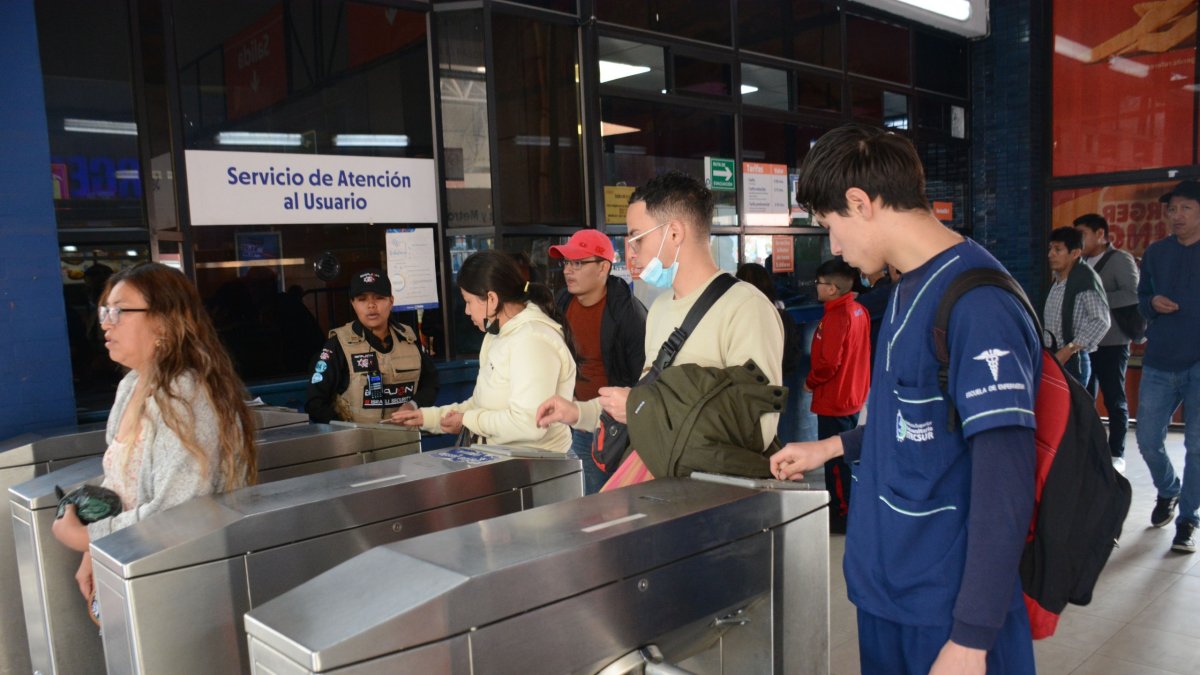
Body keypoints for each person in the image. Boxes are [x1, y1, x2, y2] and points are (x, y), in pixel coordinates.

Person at [769, 124, 1041, 674]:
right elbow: (915, 418)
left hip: (945, 609)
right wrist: (830, 448)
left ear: (860, 203)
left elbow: (1005, 481)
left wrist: (972, 637)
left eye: (831, 228)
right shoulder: (903, 290)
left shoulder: (978, 305)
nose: (835, 249)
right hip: (888, 589)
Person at [535, 171, 784, 478]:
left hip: (714, 494)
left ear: (675, 233)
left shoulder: (746, 308)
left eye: (637, 238)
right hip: (659, 479)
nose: (632, 252)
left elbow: (757, 427)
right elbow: (642, 397)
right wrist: (579, 413)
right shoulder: (660, 309)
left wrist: (645, 412)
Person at [51, 262, 258, 607]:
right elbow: (120, 482)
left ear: (164, 321)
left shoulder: (186, 396)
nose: (105, 322)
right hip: (133, 564)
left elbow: (180, 512)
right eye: (104, 310)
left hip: (179, 582)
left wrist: (87, 537)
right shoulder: (132, 383)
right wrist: (95, 550)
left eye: (119, 311)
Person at [390, 250, 576, 452]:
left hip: (536, 469)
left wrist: (468, 421)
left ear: (492, 299)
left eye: (468, 301)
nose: (466, 311)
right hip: (502, 464)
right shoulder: (497, 335)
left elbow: (530, 424)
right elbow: (482, 405)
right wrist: (428, 418)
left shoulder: (533, 341)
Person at [550, 229, 647, 493]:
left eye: (578, 263)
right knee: (580, 502)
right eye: (566, 263)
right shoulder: (562, 303)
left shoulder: (628, 313)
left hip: (612, 427)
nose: (568, 271)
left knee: (608, 505)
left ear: (604, 267)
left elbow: (644, 377)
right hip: (573, 422)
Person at [1135, 179, 1200, 554]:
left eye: (1185, 208)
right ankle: (1168, 489)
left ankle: (1188, 518)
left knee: (1196, 446)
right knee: (1146, 439)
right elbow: (1142, 299)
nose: (1176, 216)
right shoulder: (1157, 252)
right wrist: (1152, 302)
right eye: (1172, 209)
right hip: (1160, 359)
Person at [305, 269, 439, 423]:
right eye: (362, 299)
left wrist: (413, 404)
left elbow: (431, 383)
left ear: (391, 301)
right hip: (356, 444)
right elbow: (314, 402)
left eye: (379, 298)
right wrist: (345, 432)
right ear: (353, 304)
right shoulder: (338, 344)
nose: (371, 305)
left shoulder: (408, 338)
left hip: (406, 440)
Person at [808, 257, 871, 534]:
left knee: (835, 464)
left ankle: (840, 516)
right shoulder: (858, 311)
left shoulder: (836, 316)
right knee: (846, 460)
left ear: (832, 288)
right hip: (853, 396)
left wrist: (811, 382)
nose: (816, 288)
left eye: (819, 283)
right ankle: (848, 511)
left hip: (835, 400)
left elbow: (828, 363)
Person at [1074, 213, 1140, 474]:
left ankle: (1117, 452)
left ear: (1100, 234)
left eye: (1084, 234)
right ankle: (1089, 449)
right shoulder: (1078, 261)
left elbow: (1132, 294)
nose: (1079, 239)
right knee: (1085, 397)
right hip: (1085, 342)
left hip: (1113, 341)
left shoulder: (1119, 260)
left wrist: (1094, 298)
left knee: (1114, 397)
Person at [1043, 226, 1109, 387]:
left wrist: (1069, 349)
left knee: (1073, 410)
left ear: (1075, 253)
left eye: (1058, 250)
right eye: (1050, 248)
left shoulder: (1084, 279)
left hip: (1072, 361)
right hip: (1054, 356)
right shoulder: (1058, 279)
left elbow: (1101, 321)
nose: (1050, 254)